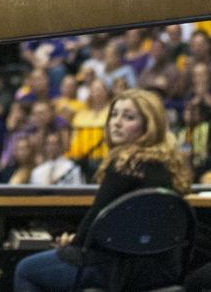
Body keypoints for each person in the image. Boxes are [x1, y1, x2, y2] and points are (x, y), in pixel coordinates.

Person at [13, 88, 192, 291]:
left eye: (129, 117)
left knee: (25, 270)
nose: (116, 122)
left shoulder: (125, 165)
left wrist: (73, 242)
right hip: (162, 270)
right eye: (114, 114)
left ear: (149, 126)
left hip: (117, 270)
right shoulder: (170, 167)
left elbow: (95, 221)